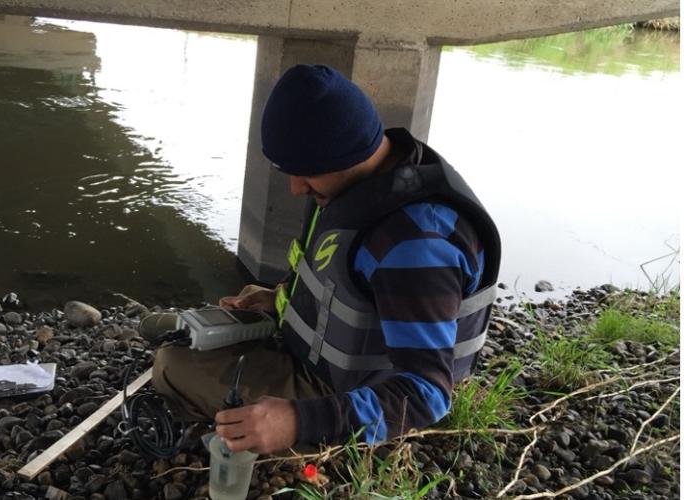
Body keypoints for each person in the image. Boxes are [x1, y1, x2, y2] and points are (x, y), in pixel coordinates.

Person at [151, 64, 501, 454]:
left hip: (353, 392)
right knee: (169, 328)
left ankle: (300, 440)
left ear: (345, 153)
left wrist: (299, 421)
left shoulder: (415, 244)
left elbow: (426, 393)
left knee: (172, 362)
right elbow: (348, 284)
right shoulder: (358, 179)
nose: (294, 187)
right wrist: (281, 297)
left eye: (305, 173)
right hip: (321, 356)